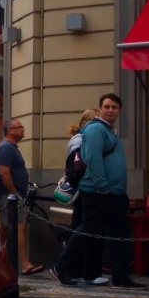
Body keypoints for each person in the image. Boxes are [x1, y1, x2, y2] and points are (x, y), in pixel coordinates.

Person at [74, 93, 145, 289]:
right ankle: (69, 269)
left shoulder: (110, 130)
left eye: (114, 107)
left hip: (115, 192)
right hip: (101, 192)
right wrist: (102, 187)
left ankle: (118, 277)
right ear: (100, 109)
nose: (111, 110)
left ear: (119, 110)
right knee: (92, 233)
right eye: (107, 107)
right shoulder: (96, 129)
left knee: (114, 235)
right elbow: (93, 159)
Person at [49, 109, 107, 287]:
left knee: (82, 228)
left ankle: (76, 271)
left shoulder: (79, 138)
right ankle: (69, 268)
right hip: (85, 189)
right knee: (86, 230)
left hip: (83, 189)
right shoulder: (83, 139)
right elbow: (80, 164)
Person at [0, 118, 40, 275]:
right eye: (19, 127)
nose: (23, 129)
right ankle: (25, 264)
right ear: (10, 131)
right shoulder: (6, 148)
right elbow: (4, 173)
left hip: (9, 195)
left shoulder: (10, 147)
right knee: (20, 227)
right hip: (9, 196)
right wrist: (15, 193)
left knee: (5, 228)